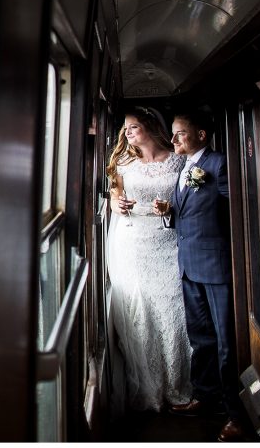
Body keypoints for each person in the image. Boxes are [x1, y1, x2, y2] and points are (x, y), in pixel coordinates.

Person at [168, 111, 248, 441]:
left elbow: (239, 212)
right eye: (173, 134)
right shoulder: (184, 167)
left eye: (180, 134)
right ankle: (205, 396)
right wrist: (167, 213)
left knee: (227, 343)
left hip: (217, 267)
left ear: (201, 135)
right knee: (200, 336)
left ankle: (238, 416)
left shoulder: (219, 165)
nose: (173, 140)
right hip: (189, 265)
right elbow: (186, 213)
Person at [106, 107, 190, 412]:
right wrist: (118, 204)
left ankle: (177, 384)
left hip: (168, 242)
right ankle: (151, 388)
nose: (128, 133)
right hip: (134, 243)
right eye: (125, 128)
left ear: (152, 127)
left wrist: (169, 208)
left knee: (172, 310)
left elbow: (187, 201)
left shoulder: (179, 160)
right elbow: (114, 197)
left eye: (134, 127)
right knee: (142, 313)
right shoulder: (123, 162)